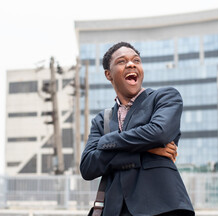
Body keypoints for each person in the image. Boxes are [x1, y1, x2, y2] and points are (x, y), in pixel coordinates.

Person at [80, 42, 195, 216]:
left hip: (163, 207)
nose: (131, 64)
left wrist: (107, 141)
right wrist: (146, 149)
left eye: (136, 60)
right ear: (108, 75)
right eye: (121, 61)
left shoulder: (164, 97)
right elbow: (88, 166)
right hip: (114, 210)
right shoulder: (102, 120)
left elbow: (158, 132)